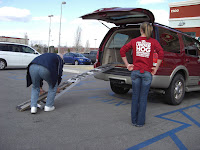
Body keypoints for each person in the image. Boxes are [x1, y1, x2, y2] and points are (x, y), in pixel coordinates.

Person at [120, 22, 164, 127]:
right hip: (147, 73)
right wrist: (155, 68)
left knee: (135, 96)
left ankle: (134, 121)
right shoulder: (153, 42)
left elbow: (122, 51)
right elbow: (161, 53)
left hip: (135, 72)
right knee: (143, 98)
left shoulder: (134, 41)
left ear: (141, 30)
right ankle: (140, 122)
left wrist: (127, 64)